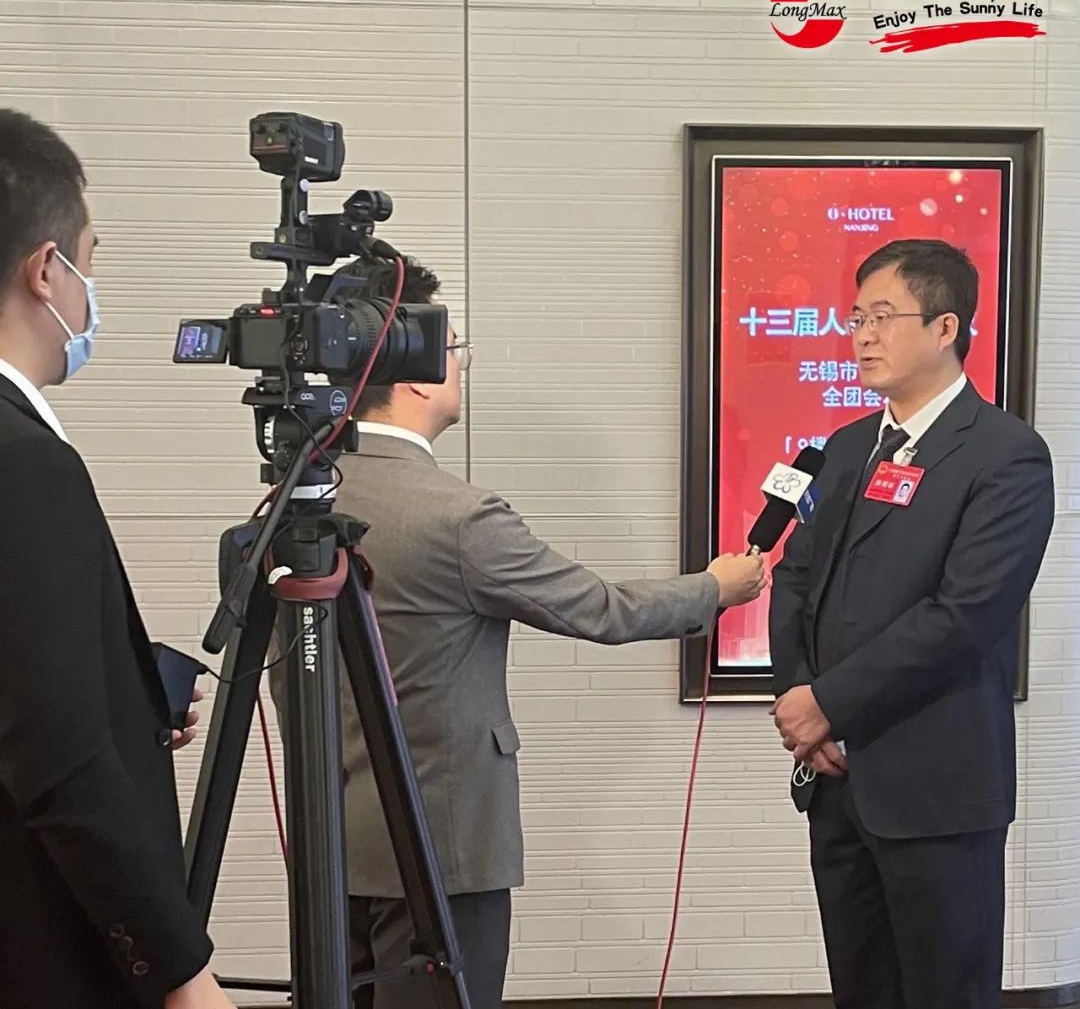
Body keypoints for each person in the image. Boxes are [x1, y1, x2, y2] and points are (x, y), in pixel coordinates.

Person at [269, 256, 766, 1009]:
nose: (462, 364)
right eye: (454, 347)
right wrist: (716, 588)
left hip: (331, 845)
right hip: (443, 848)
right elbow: (601, 609)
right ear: (417, 376)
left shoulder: (290, 508)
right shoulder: (458, 518)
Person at [768, 238, 1054, 1009]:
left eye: (883, 317)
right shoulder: (847, 448)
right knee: (861, 989)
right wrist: (801, 699)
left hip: (937, 788)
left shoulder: (1006, 455)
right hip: (837, 781)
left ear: (945, 327)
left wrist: (831, 702)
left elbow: (964, 615)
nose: (862, 336)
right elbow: (796, 578)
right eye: (856, 317)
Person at [0, 110, 234, 1009]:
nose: (91, 289)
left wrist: (124, 695)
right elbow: (57, 755)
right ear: (46, 270)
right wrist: (182, 973)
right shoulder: (26, 464)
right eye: (89, 260)